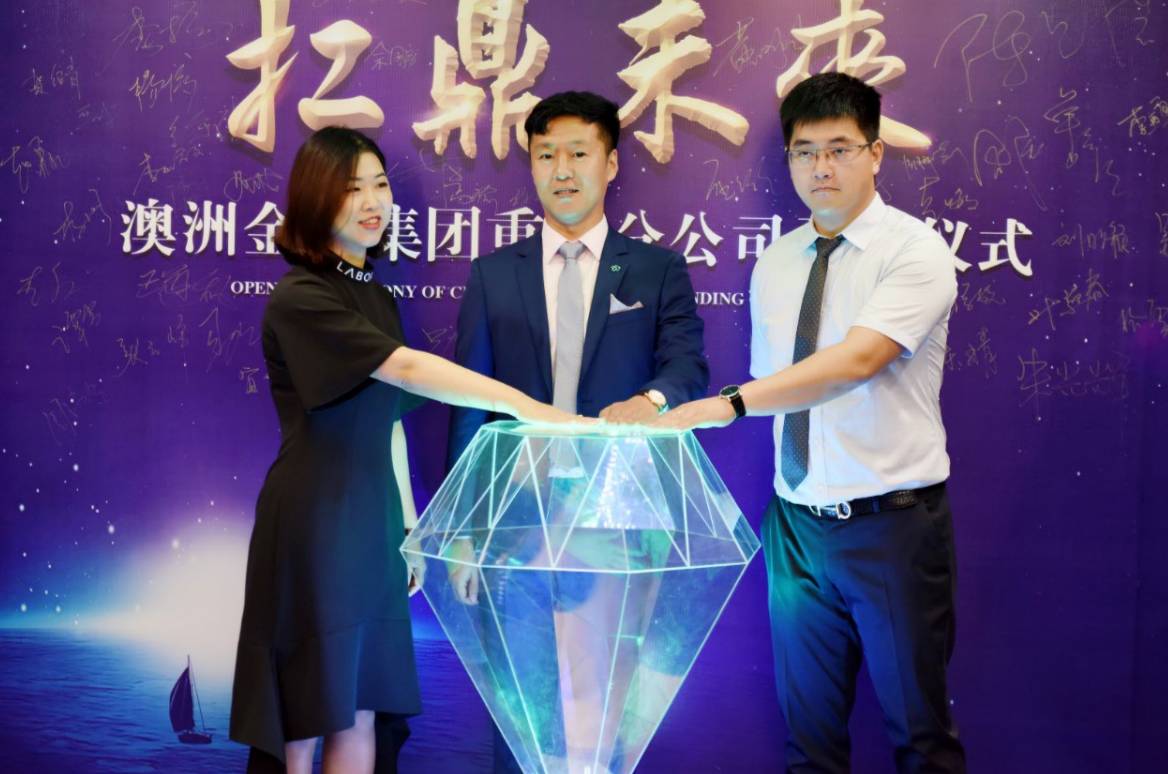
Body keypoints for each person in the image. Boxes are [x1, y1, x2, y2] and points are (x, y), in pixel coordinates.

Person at [229, 126, 578, 774]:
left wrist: (411, 525)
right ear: (316, 199)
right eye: (351, 188)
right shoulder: (301, 295)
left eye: (380, 184)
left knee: (363, 704)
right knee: (306, 710)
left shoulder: (376, 296)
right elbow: (408, 371)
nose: (372, 202)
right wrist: (522, 404)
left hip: (374, 520)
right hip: (313, 519)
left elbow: (390, 419)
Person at [655, 72, 967, 773]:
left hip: (891, 525)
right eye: (804, 152)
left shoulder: (914, 250)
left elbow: (857, 361)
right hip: (795, 524)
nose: (821, 167)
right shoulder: (775, 262)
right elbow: (783, 387)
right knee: (809, 742)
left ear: (875, 153)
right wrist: (747, 400)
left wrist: (730, 403)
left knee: (921, 739)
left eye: (839, 149)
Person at [445, 91, 709, 773]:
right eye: (545, 156)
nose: (561, 170)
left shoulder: (656, 269)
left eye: (578, 154)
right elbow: (468, 405)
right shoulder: (493, 274)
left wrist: (649, 399)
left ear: (610, 163)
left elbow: (687, 366)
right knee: (521, 714)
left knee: (600, 718)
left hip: (614, 525)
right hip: (515, 526)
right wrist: (465, 532)